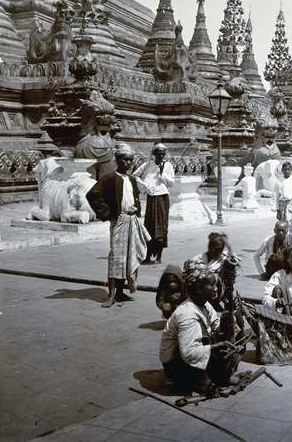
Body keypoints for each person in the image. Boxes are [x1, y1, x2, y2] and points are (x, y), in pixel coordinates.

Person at [159, 259, 242, 392]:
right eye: (211, 285)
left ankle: (217, 376)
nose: (216, 288)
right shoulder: (187, 314)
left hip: (191, 358)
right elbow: (189, 353)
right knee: (204, 334)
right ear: (198, 288)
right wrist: (218, 345)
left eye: (215, 284)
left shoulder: (205, 304)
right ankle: (200, 381)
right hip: (176, 366)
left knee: (226, 329)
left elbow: (217, 331)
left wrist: (228, 317)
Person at [86, 143, 151, 308]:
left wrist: (137, 211)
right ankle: (112, 295)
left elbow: (135, 197)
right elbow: (93, 195)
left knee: (129, 256)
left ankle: (121, 292)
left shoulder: (132, 180)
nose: (128, 163)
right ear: (117, 160)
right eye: (125, 160)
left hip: (132, 221)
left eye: (130, 160)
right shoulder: (109, 178)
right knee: (116, 258)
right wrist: (108, 213)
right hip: (119, 221)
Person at [133, 143, 175, 264]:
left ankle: (159, 257)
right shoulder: (147, 164)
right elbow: (135, 175)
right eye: (159, 153)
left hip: (162, 197)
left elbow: (171, 183)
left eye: (163, 154)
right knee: (149, 226)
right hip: (151, 198)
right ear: (154, 154)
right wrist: (144, 186)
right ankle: (147, 255)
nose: (161, 156)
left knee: (161, 227)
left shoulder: (167, 166)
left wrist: (162, 174)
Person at [191, 232, 234, 311]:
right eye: (216, 249)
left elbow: (233, 261)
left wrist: (229, 246)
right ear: (209, 247)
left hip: (216, 292)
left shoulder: (223, 258)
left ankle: (215, 304)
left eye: (220, 250)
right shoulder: (198, 259)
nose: (218, 252)